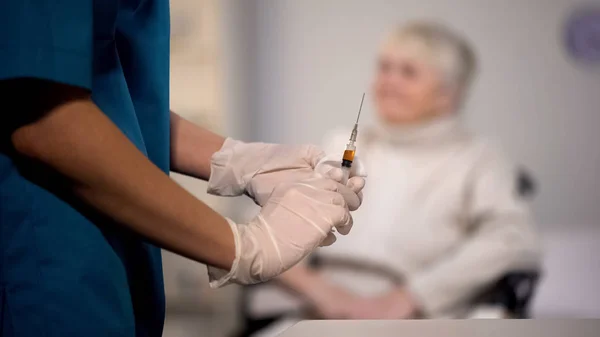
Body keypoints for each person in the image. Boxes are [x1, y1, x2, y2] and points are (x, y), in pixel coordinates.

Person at [0, 2, 366, 337]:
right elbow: (44, 118)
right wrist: (243, 246)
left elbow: (113, 99)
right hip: (50, 256)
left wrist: (238, 159)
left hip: (110, 254)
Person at [239, 21, 542, 334]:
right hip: (315, 312)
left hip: (416, 321)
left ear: (448, 93)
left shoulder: (478, 157)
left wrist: (410, 298)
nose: (388, 82)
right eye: (384, 68)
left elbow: (512, 239)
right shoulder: (342, 145)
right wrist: (321, 292)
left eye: (408, 72)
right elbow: (263, 225)